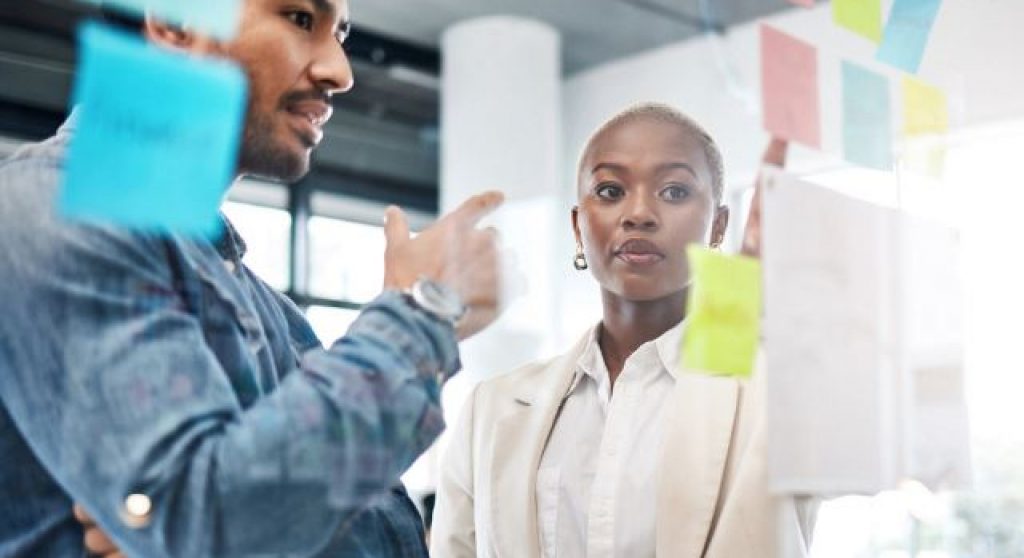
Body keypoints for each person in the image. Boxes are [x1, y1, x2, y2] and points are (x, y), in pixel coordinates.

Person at [0, 0, 506, 556]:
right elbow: (211, 518)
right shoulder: (53, 206)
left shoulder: (272, 313)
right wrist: (420, 312)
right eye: (300, 19)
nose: (340, 71)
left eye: (340, 33)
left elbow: (379, 536)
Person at [430, 103, 818, 557]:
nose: (639, 213)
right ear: (578, 227)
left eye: (674, 192)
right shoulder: (490, 410)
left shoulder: (775, 391)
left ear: (718, 226)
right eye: (611, 190)